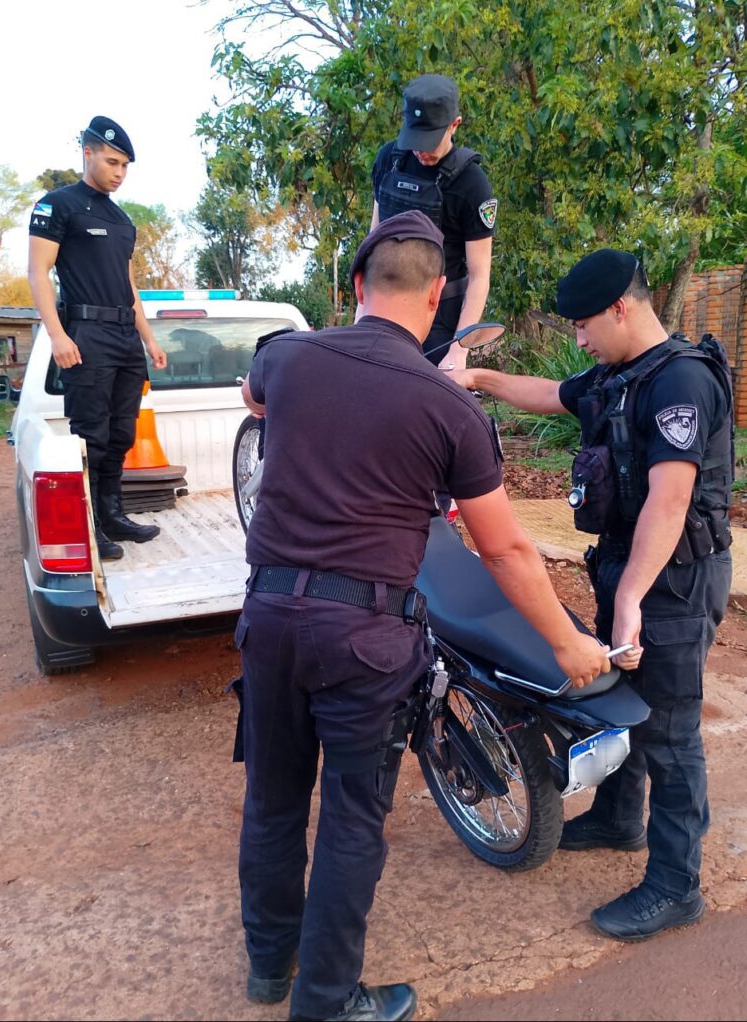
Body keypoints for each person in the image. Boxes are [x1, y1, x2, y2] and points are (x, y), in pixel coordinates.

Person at [236, 210, 610, 1022]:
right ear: (439, 295)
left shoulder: (287, 356)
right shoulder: (449, 408)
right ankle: (325, 1001)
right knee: (351, 818)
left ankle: (270, 965)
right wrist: (568, 644)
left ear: (358, 285)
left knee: (272, 799)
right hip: (364, 638)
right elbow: (505, 549)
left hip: (267, 617)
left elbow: (253, 398)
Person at [447, 248, 734, 942]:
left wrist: (630, 597)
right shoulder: (618, 375)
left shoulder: (680, 382)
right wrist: (476, 378)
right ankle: (617, 819)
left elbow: (670, 501)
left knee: (668, 729)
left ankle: (676, 886)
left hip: (672, 579)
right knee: (621, 703)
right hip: (626, 566)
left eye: (582, 325)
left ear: (620, 308)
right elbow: (553, 393)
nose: (577, 340)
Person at [28, 115, 167, 561]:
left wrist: (149, 339)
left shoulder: (121, 220)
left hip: (125, 337)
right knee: (91, 435)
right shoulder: (58, 205)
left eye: (125, 166)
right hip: (86, 333)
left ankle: (112, 516)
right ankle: (88, 527)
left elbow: (129, 286)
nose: (119, 173)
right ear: (87, 153)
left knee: (122, 433)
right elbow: (38, 272)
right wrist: (57, 334)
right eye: (112, 162)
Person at [370, 74, 497, 371]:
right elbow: (373, 238)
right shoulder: (389, 160)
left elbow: (480, 276)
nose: (421, 150)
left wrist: (458, 351)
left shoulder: (471, 184)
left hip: (438, 318)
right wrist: (361, 314)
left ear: (455, 124)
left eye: (429, 140)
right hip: (384, 308)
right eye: (415, 138)